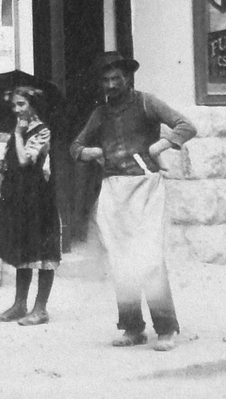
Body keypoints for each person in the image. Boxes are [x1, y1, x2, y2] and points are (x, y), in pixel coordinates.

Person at [70, 52, 196, 351]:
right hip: (114, 190)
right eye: (106, 80)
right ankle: (132, 327)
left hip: (146, 188)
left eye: (117, 78)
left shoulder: (145, 102)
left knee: (149, 257)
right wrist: (92, 153)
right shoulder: (100, 113)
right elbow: (75, 146)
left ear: (128, 78)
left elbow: (186, 126)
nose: (112, 85)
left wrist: (161, 145)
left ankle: (166, 329)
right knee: (121, 261)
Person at [0, 85, 61, 327]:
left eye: (21, 104)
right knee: (22, 247)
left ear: (33, 105)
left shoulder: (42, 131)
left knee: (43, 250)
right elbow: (14, 161)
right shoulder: (21, 128)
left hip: (38, 197)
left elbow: (26, 160)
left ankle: (40, 308)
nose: (16, 109)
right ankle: (19, 305)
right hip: (19, 196)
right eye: (14, 105)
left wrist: (17, 135)